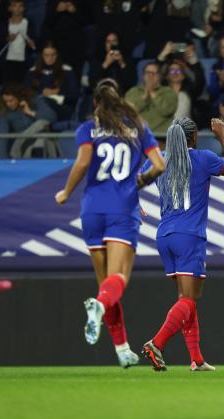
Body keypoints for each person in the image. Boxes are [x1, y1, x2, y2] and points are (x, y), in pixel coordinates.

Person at [53, 78, 166, 368]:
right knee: (119, 279)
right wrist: (138, 183)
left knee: (105, 283)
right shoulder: (138, 128)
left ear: (95, 103)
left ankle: (122, 349)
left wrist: (66, 191)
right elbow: (160, 165)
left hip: (91, 209)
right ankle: (99, 307)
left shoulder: (87, 128)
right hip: (122, 208)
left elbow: (82, 162)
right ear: (119, 99)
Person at [141, 117, 224, 372]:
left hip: (164, 235)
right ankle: (157, 343)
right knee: (189, 299)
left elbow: (132, 183)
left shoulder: (160, 160)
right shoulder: (202, 158)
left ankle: (196, 359)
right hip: (190, 236)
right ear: (193, 137)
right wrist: (223, 138)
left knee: (185, 299)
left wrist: (133, 205)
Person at [0, 84, 57, 158]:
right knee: (41, 126)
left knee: (41, 124)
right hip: (24, 147)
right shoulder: (6, 112)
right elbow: (3, 137)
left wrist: (30, 112)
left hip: (39, 139)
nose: (8, 104)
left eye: (11, 101)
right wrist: (3, 161)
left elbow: (52, 116)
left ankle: (18, 145)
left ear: (19, 98)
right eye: (5, 102)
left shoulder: (35, 101)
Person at [26, 42, 79, 122]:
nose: (50, 58)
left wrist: (57, 91)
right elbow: (26, 92)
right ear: (41, 56)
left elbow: (74, 94)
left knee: (43, 101)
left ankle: (45, 118)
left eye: (53, 55)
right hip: (39, 106)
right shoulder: (32, 72)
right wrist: (42, 92)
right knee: (40, 102)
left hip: (61, 107)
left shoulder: (67, 70)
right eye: (46, 55)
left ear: (57, 55)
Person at [125, 62, 178, 135]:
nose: (150, 75)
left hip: (161, 136)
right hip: (138, 136)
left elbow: (167, 110)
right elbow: (129, 112)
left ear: (159, 76)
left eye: (154, 73)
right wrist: (144, 98)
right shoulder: (133, 92)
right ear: (143, 75)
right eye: (148, 72)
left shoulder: (168, 92)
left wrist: (153, 94)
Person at [0, 0, 34, 85]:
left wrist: (30, 43)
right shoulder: (3, 24)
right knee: (7, 88)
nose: (17, 8)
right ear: (9, 8)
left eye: (20, 6)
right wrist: (7, 39)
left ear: (24, 8)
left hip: (23, 62)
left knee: (22, 89)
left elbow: (33, 43)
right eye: (14, 5)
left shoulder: (29, 23)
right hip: (7, 63)